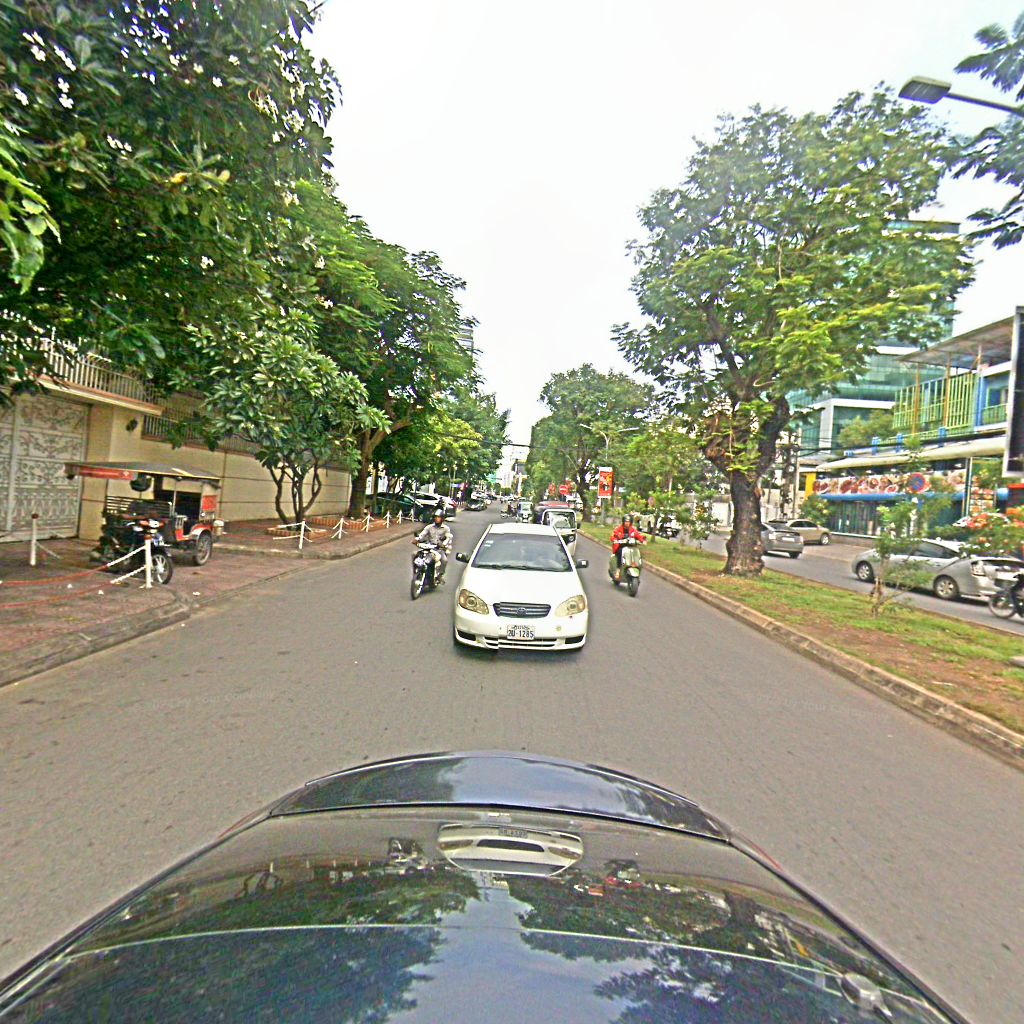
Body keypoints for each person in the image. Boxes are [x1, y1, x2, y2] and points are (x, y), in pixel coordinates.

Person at [413, 508, 453, 583]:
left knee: (444, 560)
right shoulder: (429, 527)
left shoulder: (446, 529)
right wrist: (417, 539)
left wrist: (444, 544)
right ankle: (416, 570)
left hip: (439, 549)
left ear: (442, 518)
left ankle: (440, 575)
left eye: (438, 517)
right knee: (415, 554)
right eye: (435, 517)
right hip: (429, 547)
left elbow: (448, 537)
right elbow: (422, 534)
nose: (436, 519)